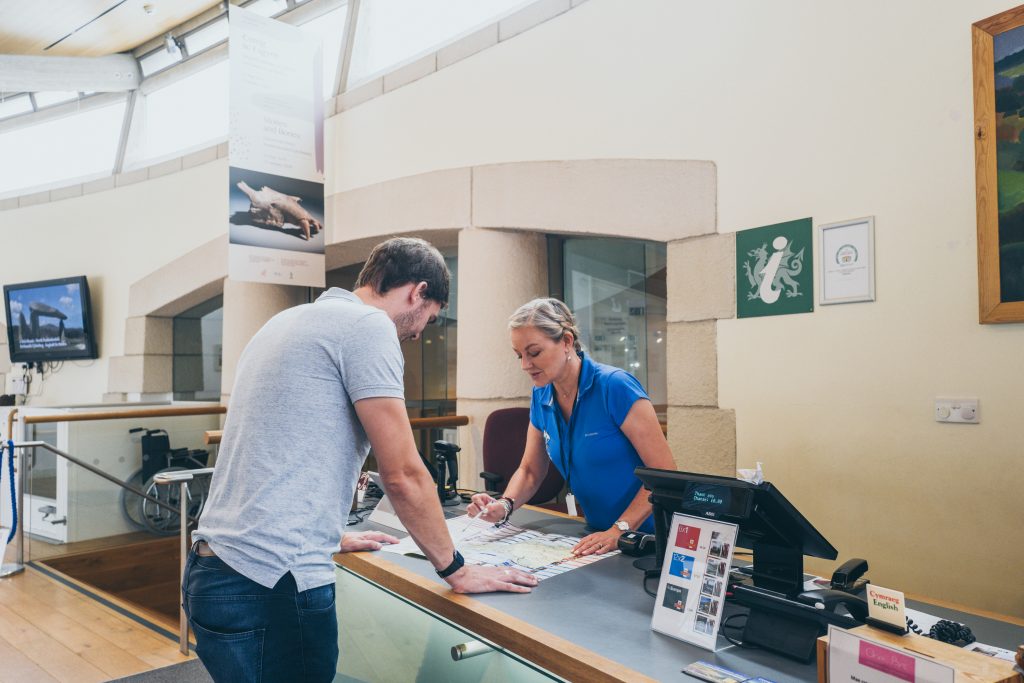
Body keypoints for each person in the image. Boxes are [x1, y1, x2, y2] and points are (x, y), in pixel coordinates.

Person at [185, 237, 536, 683]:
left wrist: (325, 532)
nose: (419, 332)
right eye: (430, 315)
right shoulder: (368, 327)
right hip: (270, 582)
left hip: (214, 570)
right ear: (417, 291)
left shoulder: (290, 319)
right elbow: (404, 473)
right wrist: (457, 569)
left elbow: (278, 446)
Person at [467, 298, 676, 557]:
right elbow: (531, 470)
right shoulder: (541, 395)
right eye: (519, 355)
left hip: (650, 537)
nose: (525, 365)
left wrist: (620, 529)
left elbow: (664, 474)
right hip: (598, 535)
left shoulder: (615, 386)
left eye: (534, 353)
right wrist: (504, 505)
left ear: (566, 341)